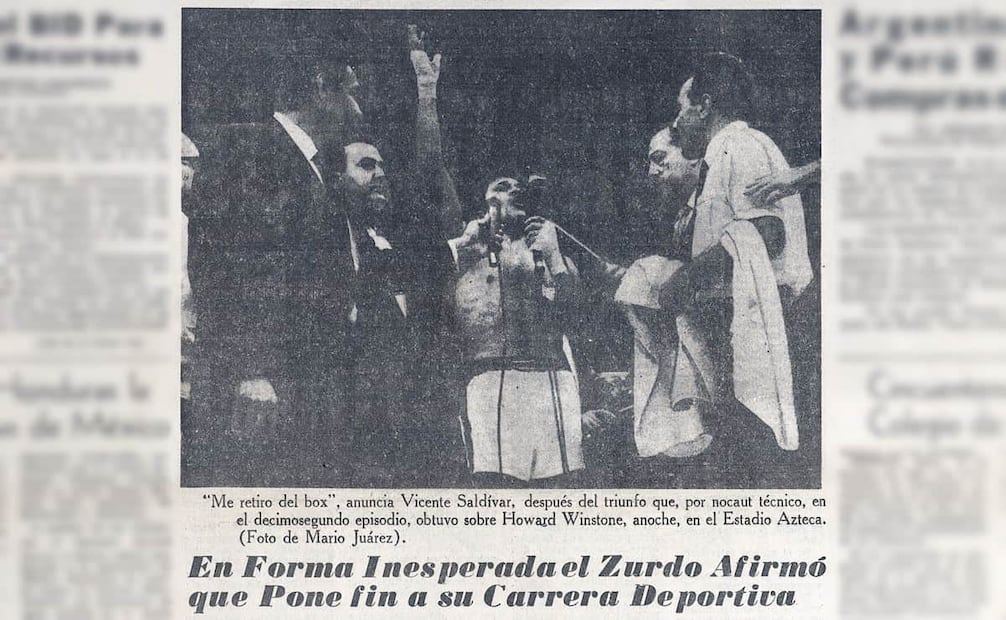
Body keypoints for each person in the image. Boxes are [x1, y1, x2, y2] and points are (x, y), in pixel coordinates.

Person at [184, 53, 366, 487]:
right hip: (269, 384)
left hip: (303, 382)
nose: (358, 109)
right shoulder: (257, 145)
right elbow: (241, 263)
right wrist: (253, 369)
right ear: (323, 85)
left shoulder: (307, 163)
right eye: (352, 93)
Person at [657, 52, 813, 485]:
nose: (678, 121)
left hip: (768, 322)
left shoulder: (742, 144)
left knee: (759, 462)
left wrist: (687, 278)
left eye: (682, 107)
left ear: (705, 105)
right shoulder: (721, 154)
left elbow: (766, 231)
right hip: (740, 323)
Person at [446, 174, 586, 487]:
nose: (516, 190)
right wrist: (462, 245)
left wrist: (553, 258)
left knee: (560, 493)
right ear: (484, 202)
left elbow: (577, 319)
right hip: (487, 378)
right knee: (496, 491)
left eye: (518, 186)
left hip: (550, 380)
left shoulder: (552, 252)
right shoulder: (465, 256)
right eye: (502, 185)